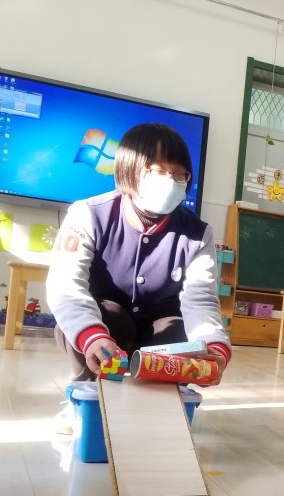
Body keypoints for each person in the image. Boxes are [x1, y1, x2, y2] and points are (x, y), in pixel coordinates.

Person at [47, 122, 230, 385]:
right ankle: (88, 393)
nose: (170, 181)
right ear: (128, 170)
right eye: (157, 170)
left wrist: (214, 346)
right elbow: (65, 285)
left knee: (182, 335)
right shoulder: (88, 214)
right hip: (106, 326)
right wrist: (92, 336)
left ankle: (160, 403)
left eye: (179, 174)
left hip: (159, 334)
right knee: (108, 316)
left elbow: (200, 301)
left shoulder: (198, 234)